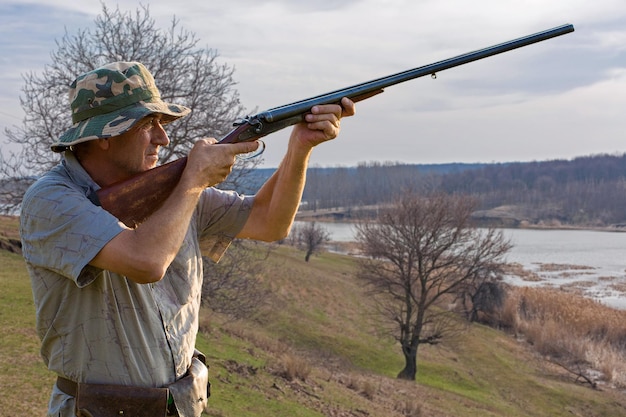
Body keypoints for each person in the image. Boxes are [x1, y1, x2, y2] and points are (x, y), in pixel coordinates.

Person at [19, 61, 355, 417]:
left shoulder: (170, 190)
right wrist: (194, 181)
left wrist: (300, 148)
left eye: (161, 125)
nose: (162, 138)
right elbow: (146, 262)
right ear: (104, 135)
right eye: (148, 125)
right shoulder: (51, 200)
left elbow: (269, 222)